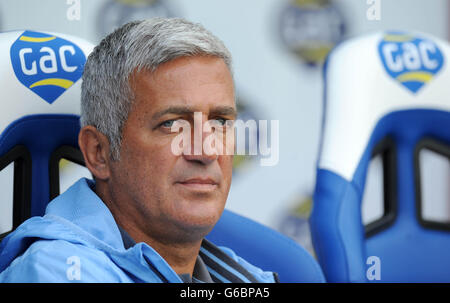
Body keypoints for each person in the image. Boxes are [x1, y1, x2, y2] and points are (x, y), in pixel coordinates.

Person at [0, 18, 278, 283]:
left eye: (219, 121)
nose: (206, 151)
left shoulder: (248, 275)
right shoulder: (57, 271)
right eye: (172, 124)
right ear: (99, 152)